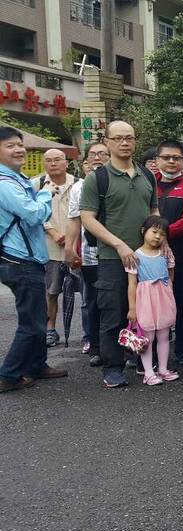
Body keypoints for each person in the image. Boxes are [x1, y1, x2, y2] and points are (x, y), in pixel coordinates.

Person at [80, 120, 159, 388]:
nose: (125, 143)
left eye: (130, 138)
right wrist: (119, 244)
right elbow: (88, 218)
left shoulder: (146, 175)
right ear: (108, 142)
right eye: (119, 138)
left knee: (144, 310)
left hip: (145, 256)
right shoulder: (98, 178)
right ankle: (112, 366)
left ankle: (139, 358)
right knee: (113, 311)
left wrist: (159, 240)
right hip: (113, 257)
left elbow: (153, 212)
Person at [0, 127, 67, 392]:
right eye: (10, 146)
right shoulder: (5, 185)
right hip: (19, 260)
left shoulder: (16, 179)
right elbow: (34, 214)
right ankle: (8, 374)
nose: (18, 149)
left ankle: (37, 364)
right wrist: (44, 193)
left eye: (20, 144)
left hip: (27, 259)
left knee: (37, 315)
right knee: (32, 322)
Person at [152, 140, 183, 365]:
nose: (171, 162)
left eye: (176, 158)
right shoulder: (147, 185)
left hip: (182, 255)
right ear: (157, 160)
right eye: (166, 157)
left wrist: (160, 234)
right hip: (150, 256)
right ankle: (147, 351)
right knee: (150, 304)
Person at [66, 140, 109, 365]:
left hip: (117, 250)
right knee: (93, 300)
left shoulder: (119, 181)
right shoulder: (79, 187)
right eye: (93, 154)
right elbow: (74, 220)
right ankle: (95, 346)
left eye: (103, 153)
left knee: (120, 298)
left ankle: (123, 344)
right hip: (91, 250)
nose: (98, 157)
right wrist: (70, 248)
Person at [125, 216, 179, 386]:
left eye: (162, 234)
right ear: (143, 231)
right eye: (154, 232)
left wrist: (168, 289)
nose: (157, 236)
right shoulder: (135, 255)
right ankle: (148, 372)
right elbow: (132, 284)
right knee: (146, 336)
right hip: (145, 298)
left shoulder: (165, 253)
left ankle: (162, 369)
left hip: (163, 296)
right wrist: (132, 308)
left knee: (164, 334)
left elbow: (171, 274)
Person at [34, 149, 78, 347]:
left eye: (58, 159)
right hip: (49, 248)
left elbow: (86, 213)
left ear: (66, 163)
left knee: (86, 295)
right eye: (49, 160)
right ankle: (50, 329)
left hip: (77, 246)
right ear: (44, 164)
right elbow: (30, 212)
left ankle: (89, 334)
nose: (53, 163)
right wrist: (52, 231)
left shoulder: (79, 184)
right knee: (51, 292)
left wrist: (70, 236)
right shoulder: (36, 184)